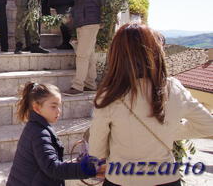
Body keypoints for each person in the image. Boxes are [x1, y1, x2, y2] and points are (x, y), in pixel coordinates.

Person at [90, 23, 213, 186]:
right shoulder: (173, 88)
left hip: (122, 178)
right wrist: (169, 130)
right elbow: (208, 126)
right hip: (166, 178)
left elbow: (96, 151)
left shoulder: (109, 96)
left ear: (116, 56)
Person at [7, 82, 99, 186]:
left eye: (59, 106)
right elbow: (53, 168)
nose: (58, 111)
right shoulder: (39, 134)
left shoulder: (36, 127)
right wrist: (91, 169)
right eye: (53, 106)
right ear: (37, 108)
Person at [55, 0, 101, 95]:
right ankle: (91, 84)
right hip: (86, 22)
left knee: (81, 55)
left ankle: (77, 86)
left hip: (89, 23)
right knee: (89, 55)